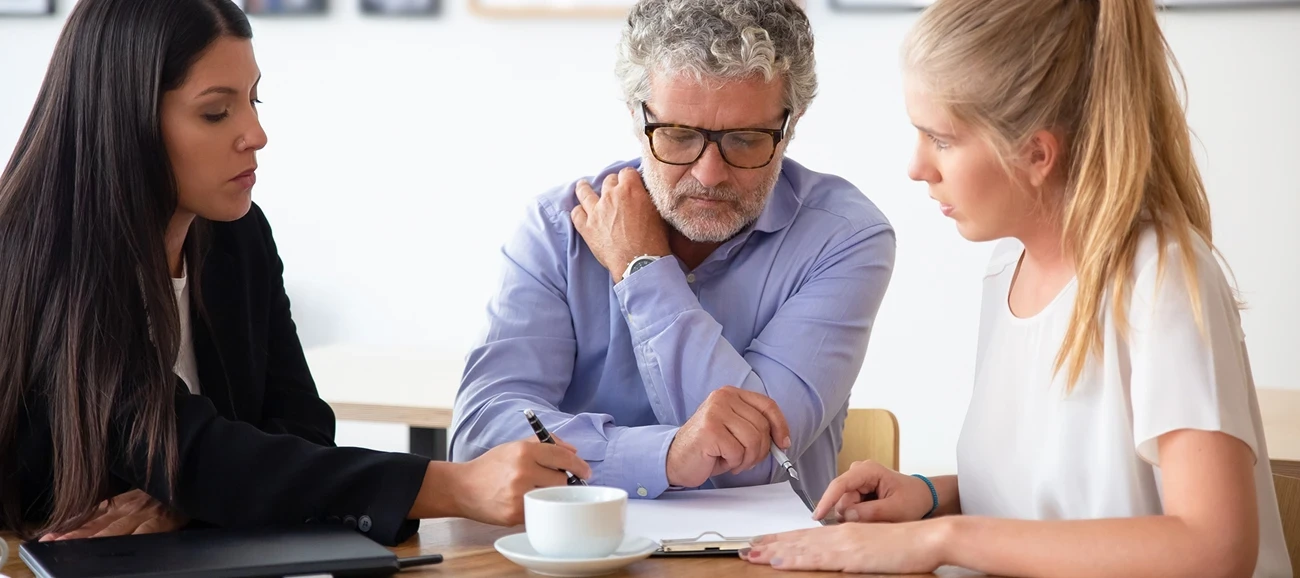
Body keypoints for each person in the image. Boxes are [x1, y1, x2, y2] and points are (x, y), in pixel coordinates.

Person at [0, 0, 588, 547]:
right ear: (125, 118)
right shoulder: (40, 259)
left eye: (254, 100)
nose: (255, 135)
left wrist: (194, 502)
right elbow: (183, 446)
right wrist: (455, 486)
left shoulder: (237, 236)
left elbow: (302, 431)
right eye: (215, 111)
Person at [740, 0, 1292, 576]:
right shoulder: (1009, 268)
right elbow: (1074, 500)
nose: (917, 167)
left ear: (1036, 152)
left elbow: (1214, 547)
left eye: (942, 139)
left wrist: (943, 539)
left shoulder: (1161, 279)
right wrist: (932, 496)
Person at [449, 0, 896, 503]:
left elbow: (757, 459)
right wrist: (666, 456)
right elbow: (478, 444)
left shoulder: (844, 237)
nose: (709, 175)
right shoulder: (558, 230)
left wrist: (641, 268)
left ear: (792, 124)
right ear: (636, 115)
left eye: (746, 141)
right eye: (679, 136)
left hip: (764, 559)